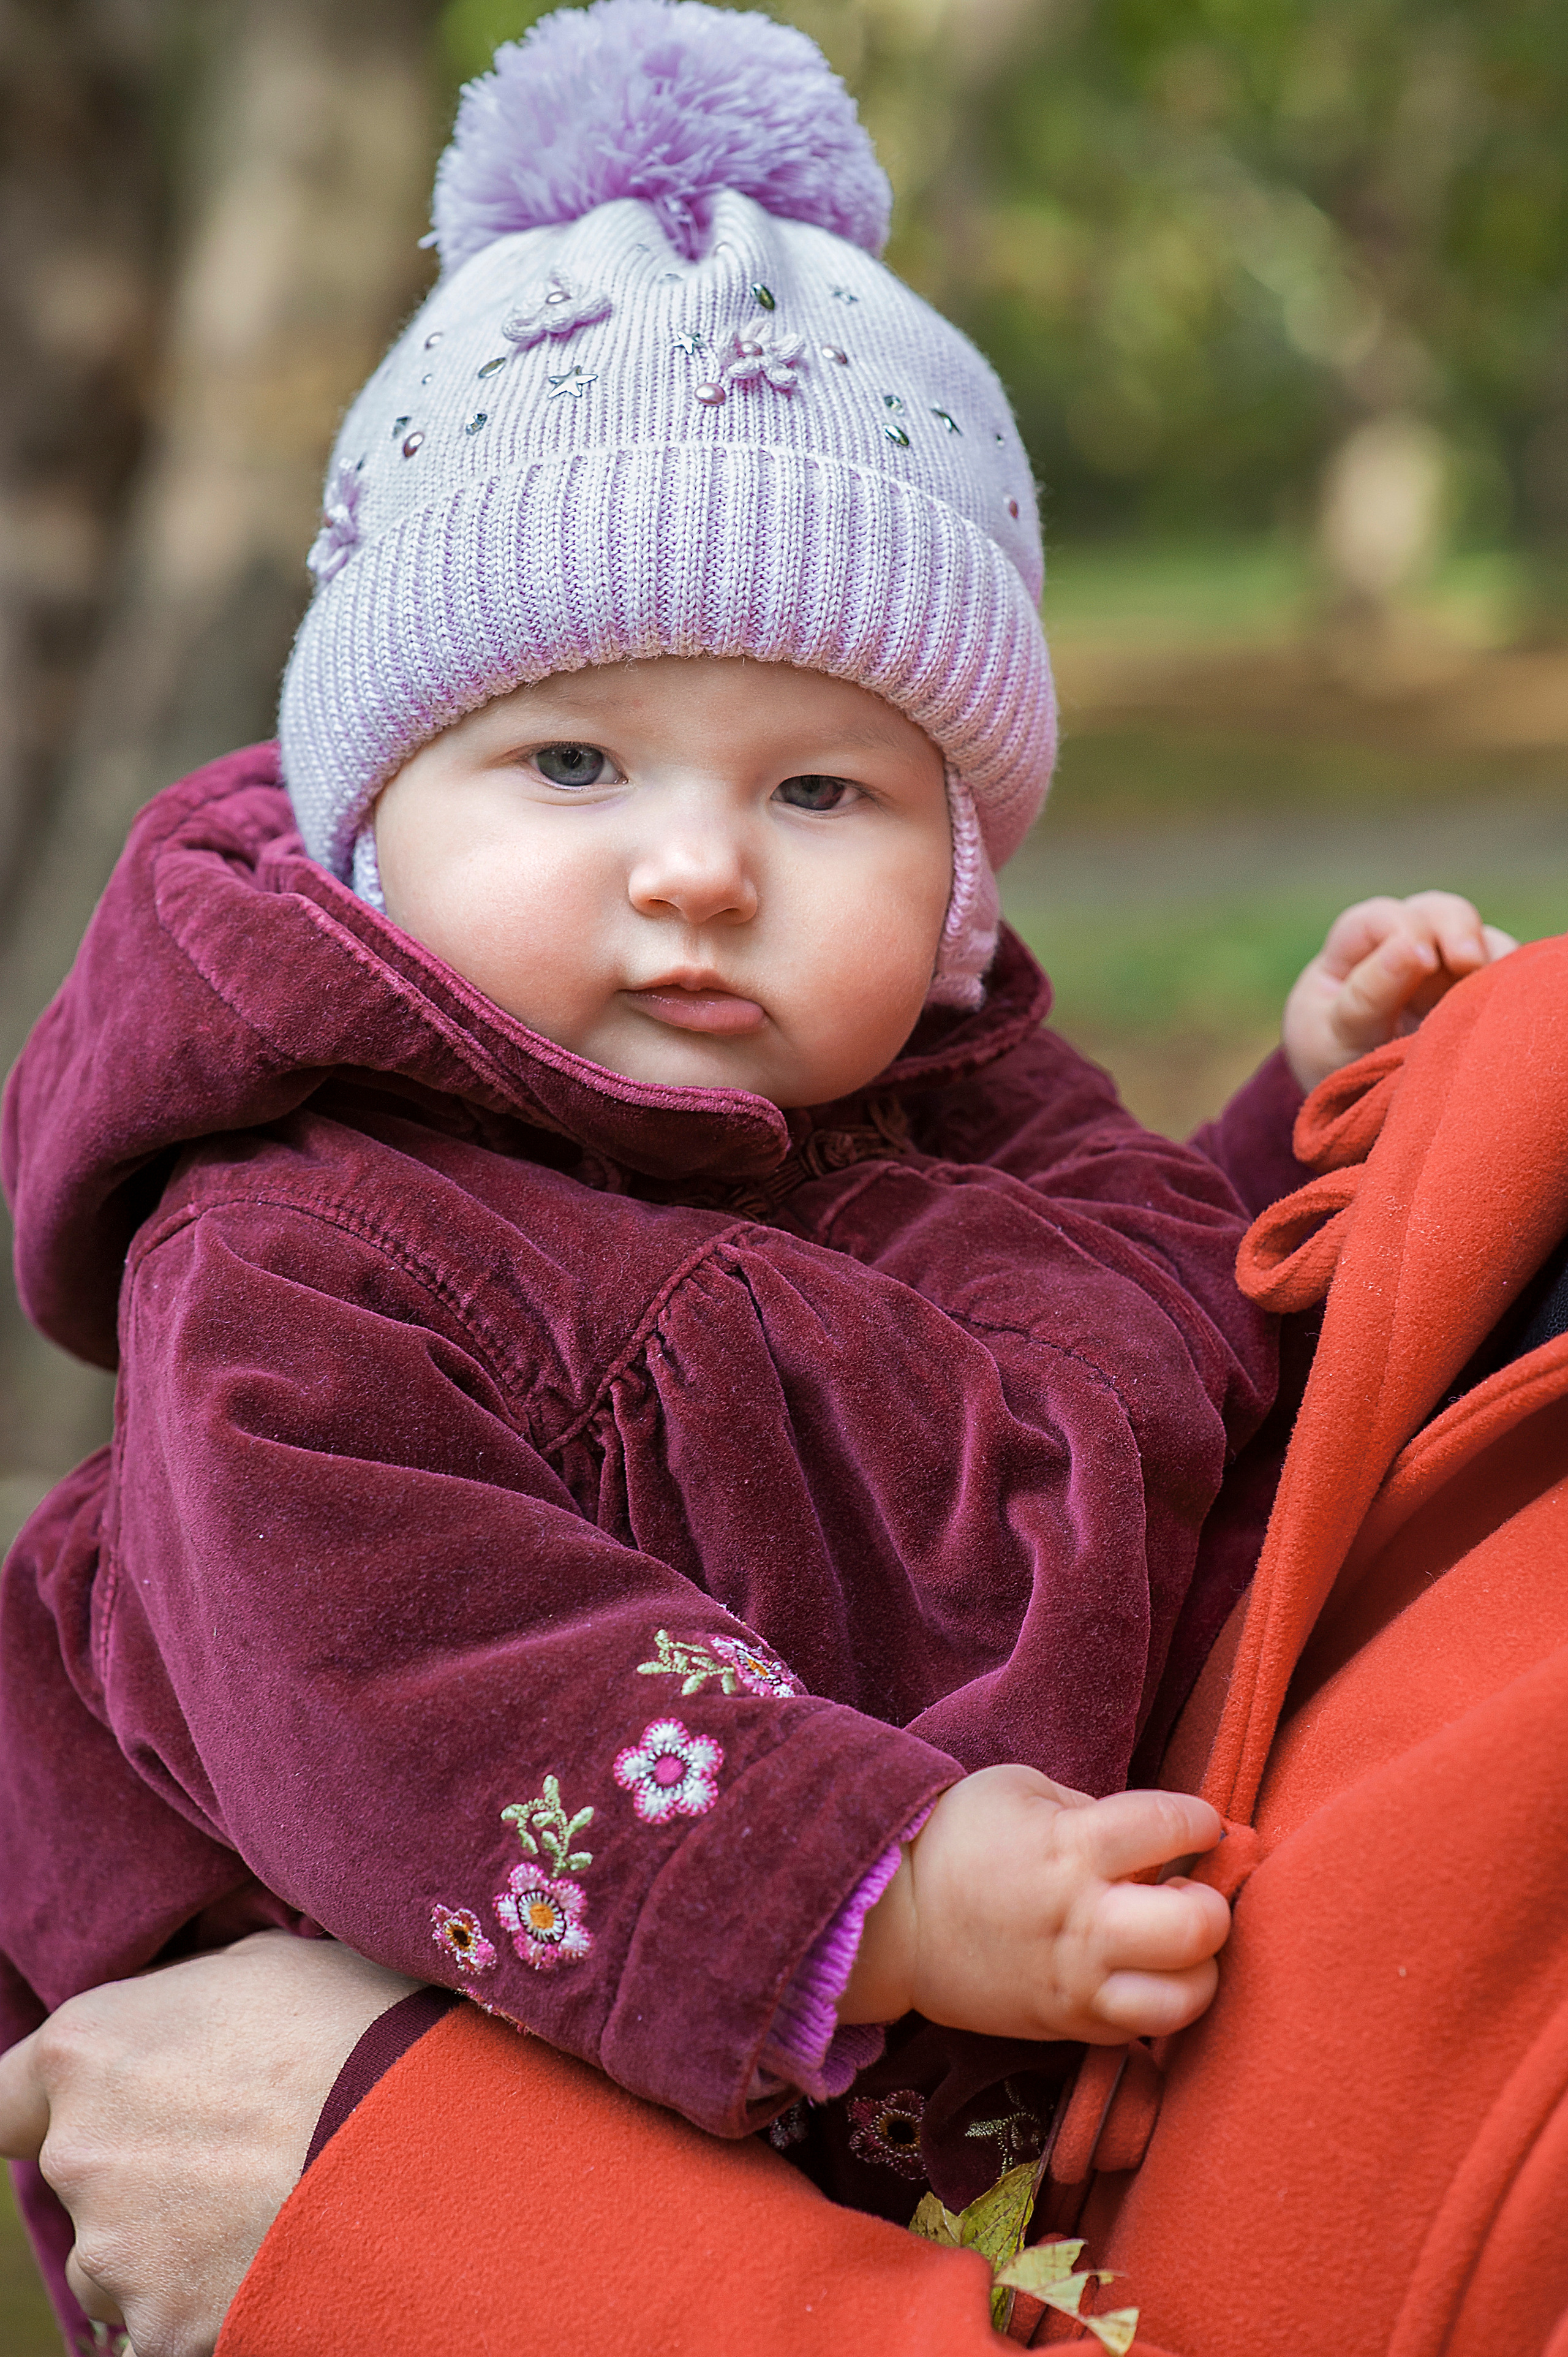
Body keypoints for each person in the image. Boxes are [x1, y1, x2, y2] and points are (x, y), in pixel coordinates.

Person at [0, 4, 1510, 2347]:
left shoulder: (940, 1105)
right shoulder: (306, 1240)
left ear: (961, 878)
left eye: (822, 795)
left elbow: (1132, 1338)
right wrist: (861, 1878)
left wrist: (1306, 1126)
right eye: (576, 760)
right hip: (481, 2096)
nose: (697, 870)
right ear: (373, 822)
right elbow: (404, 1674)